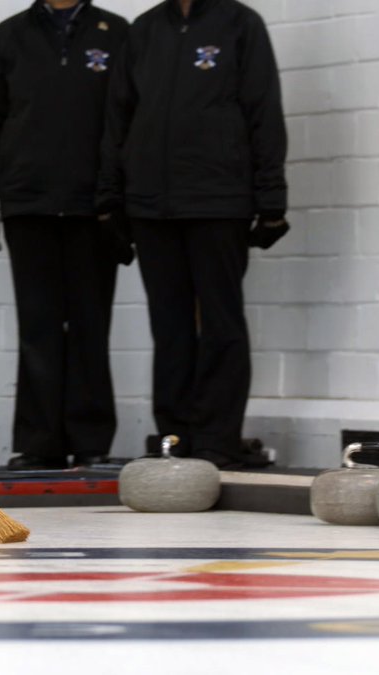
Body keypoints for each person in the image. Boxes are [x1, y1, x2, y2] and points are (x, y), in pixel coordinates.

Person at [98, 0, 288, 468]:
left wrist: (271, 201)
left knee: (221, 323)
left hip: (218, 200)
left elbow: (264, 111)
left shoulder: (241, 24)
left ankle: (218, 438)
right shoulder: (143, 30)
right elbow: (117, 117)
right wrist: (109, 200)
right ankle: (176, 434)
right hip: (151, 205)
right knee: (170, 327)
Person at [0, 0, 130, 471]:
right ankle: (39, 443)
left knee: (90, 325)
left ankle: (92, 440)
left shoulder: (117, 33)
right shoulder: (9, 35)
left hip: (94, 208)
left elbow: (129, 122)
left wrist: (120, 203)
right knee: (38, 328)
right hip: (27, 203)